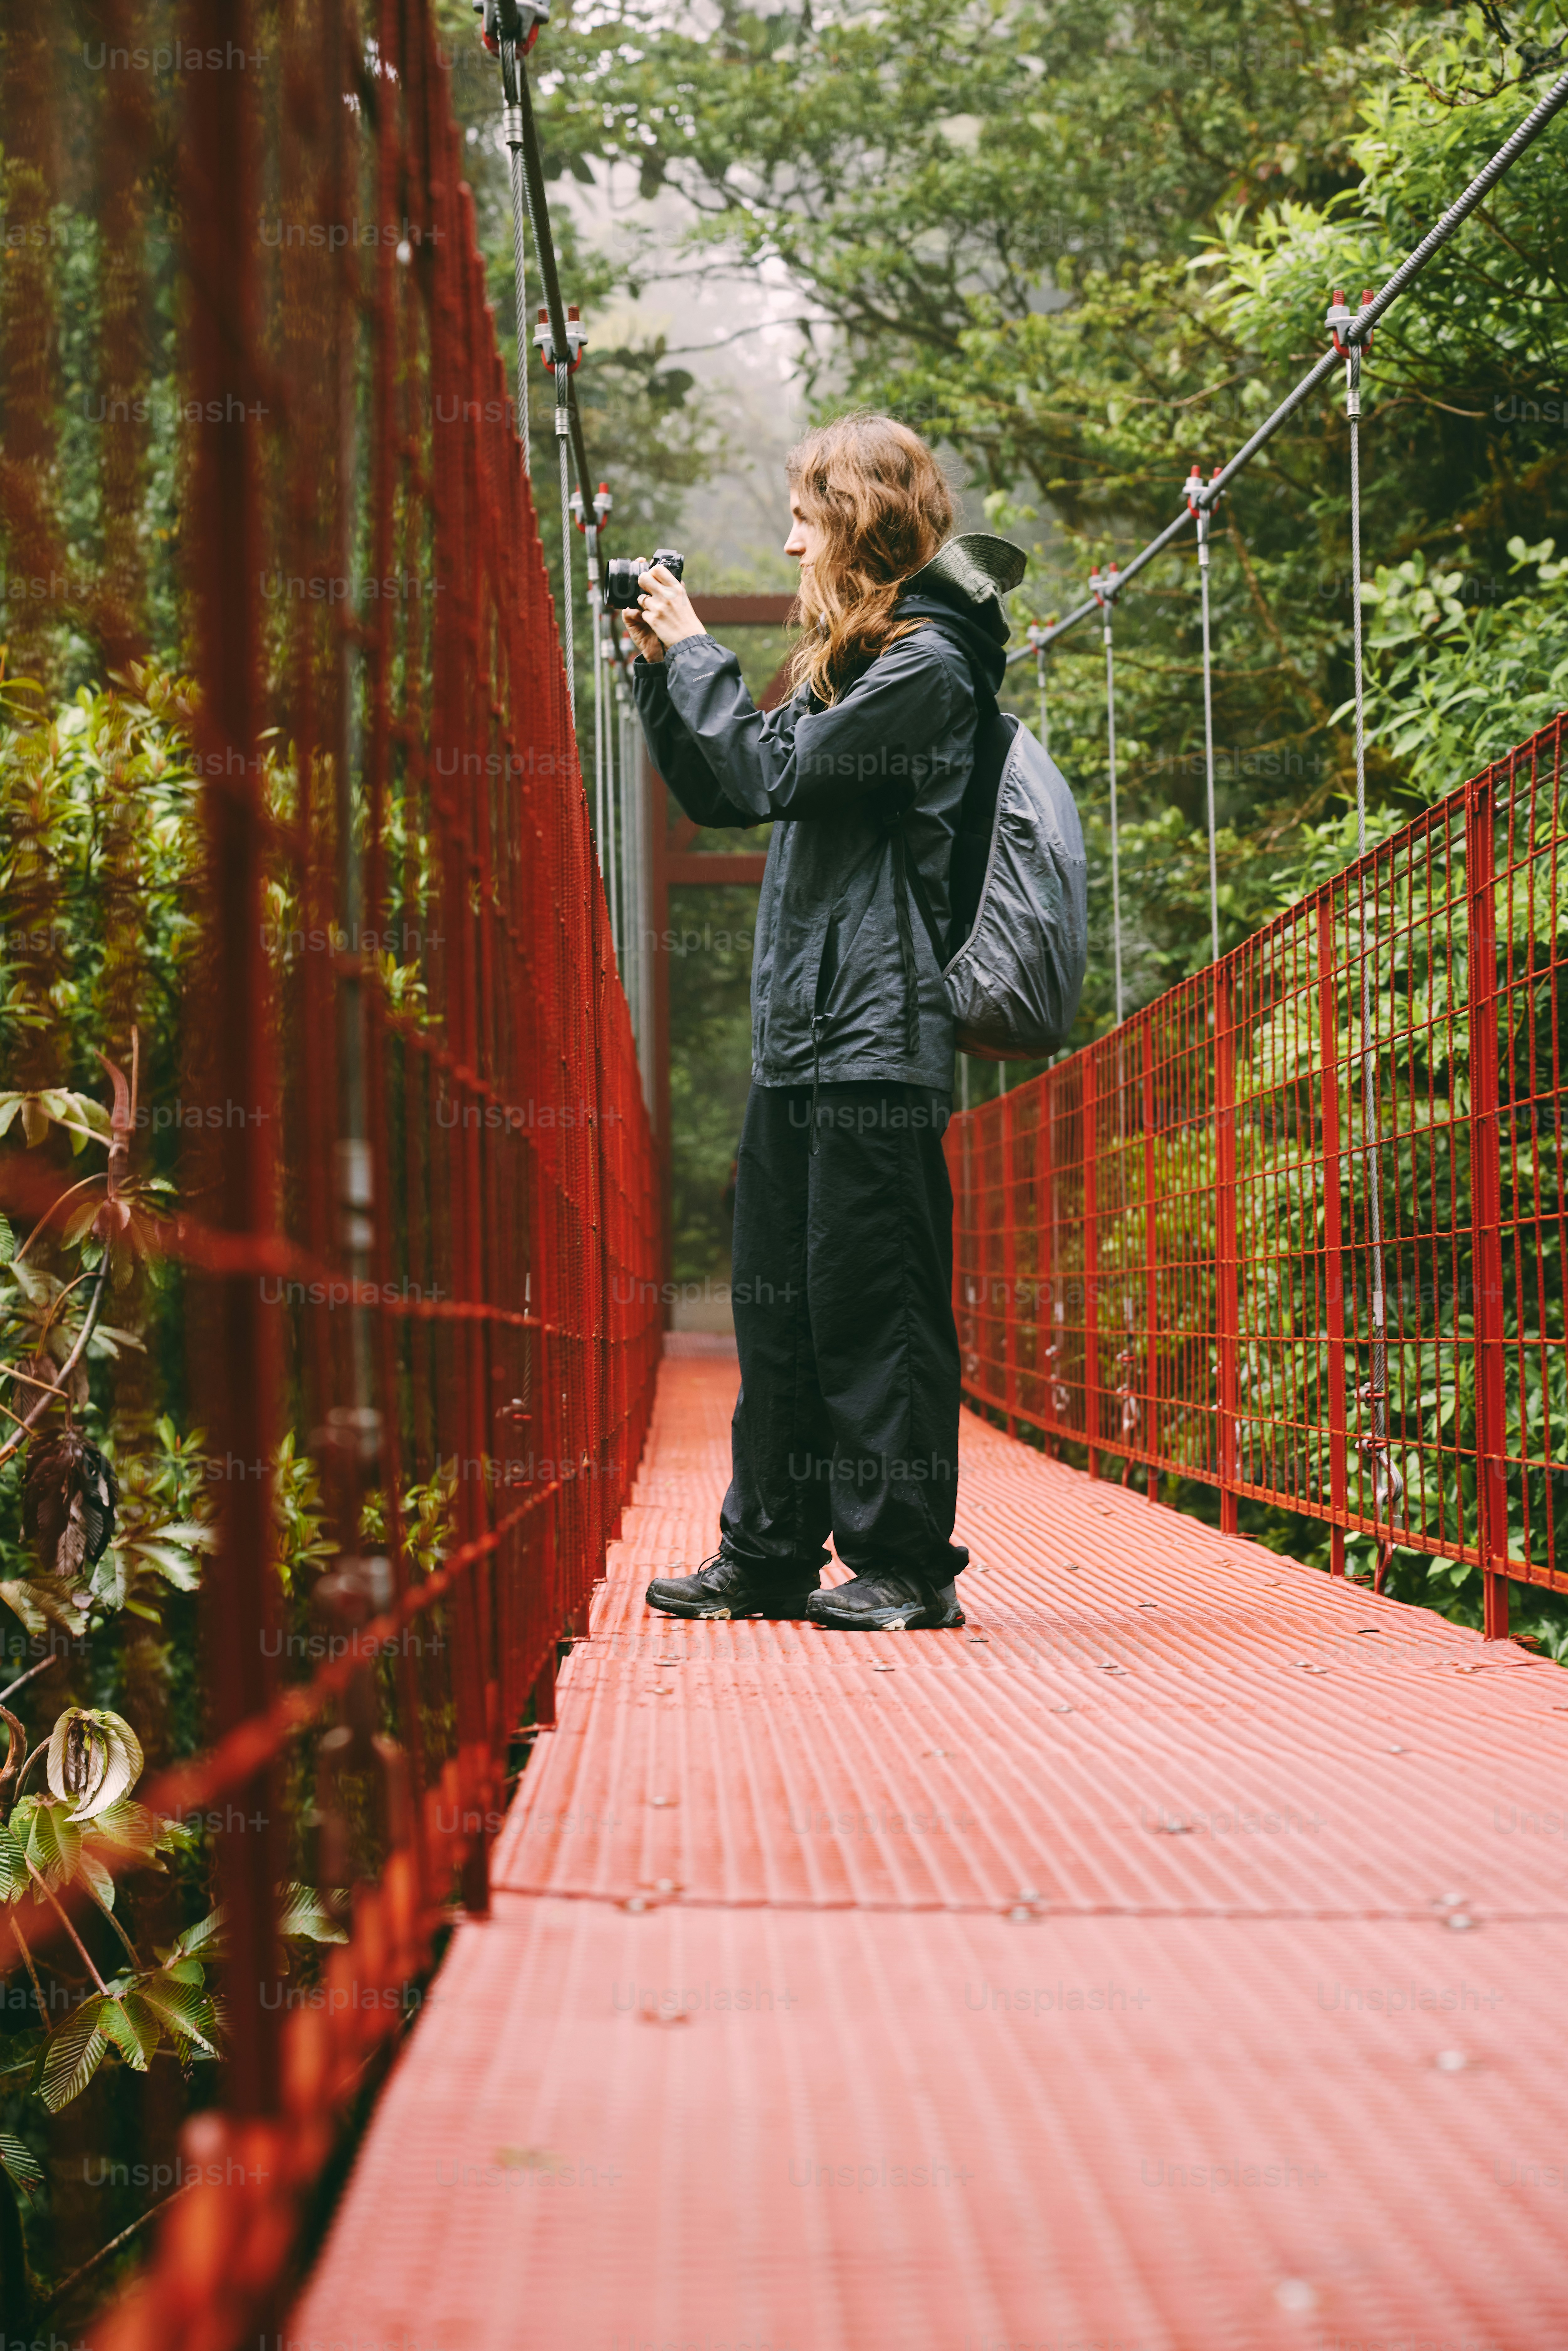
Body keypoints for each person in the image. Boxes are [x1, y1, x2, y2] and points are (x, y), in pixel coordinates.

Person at [626, 412, 1023, 1632]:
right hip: (800, 1037)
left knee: (874, 1306)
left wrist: (700, 654)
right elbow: (726, 780)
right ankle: (771, 1553)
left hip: (878, 1034)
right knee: (779, 1307)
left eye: (806, 520)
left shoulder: (927, 669)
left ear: (857, 526)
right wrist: (659, 668)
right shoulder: (849, 668)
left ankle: (908, 1567)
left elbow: (776, 777)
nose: (790, 544)